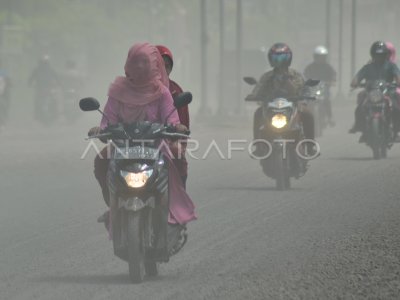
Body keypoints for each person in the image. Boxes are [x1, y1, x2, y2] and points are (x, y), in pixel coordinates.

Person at [91, 42, 196, 252]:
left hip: (155, 146)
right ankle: (113, 205)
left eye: (144, 62)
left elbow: (172, 117)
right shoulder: (118, 90)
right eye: (135, 62)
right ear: (128, 63)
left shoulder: (163, 92)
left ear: (153, 65)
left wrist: (177, 127)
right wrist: (100, 129)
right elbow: (108, 118)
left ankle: (169, 213)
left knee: (175, 159)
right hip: (123, 146)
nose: (139, 67)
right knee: (101, 160)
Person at [246, 42, 315, 154]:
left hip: (292, 106)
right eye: (276, 58)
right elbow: (257, 90)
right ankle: (258, 145)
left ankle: (310, 146)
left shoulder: (295, 75)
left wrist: (304, 97)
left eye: (282, 58)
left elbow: (304, 88)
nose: (279, 62)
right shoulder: (267, 76)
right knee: (258, 113)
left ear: (288, 58)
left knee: (308, 114)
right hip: (272, 107)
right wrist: (254, 96)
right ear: (270, 59)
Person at [349, 41, 400, 141]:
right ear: (373, 55)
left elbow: (397, 76)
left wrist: (397, 82)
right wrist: (355, 83)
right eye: (377, 55)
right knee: (359, 109)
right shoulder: (367, 67)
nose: (379, 57)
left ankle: (396, 130)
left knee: (396, 108)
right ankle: (361, 129)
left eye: (381, 55)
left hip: (387, 93)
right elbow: (356, 79)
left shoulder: (391, 66)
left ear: (386, 55)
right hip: (371, 93)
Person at [156, 45, 190, 188]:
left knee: (177, 154)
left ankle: (179, 200)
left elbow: (181, 123)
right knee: (104, 160)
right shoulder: (130, 88)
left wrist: (178, 131)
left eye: (167, 66)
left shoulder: (174, 91)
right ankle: (114, 204)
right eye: (157, 66)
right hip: (134, 142)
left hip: (165, 141)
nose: (162, 71)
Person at [304, 45, 336, 126]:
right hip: (313, 89)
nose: (320, 59)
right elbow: (305, 75)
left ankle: (329, 118)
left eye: (322, 57)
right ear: (315, 57)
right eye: (318, 57)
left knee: (326, 101)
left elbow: (333, 75)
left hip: (324, 89)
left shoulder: (328, 67)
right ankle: (306, 118)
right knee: (307, 102)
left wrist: (331, 81)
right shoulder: (310, 67)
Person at [28, 55, 60, 122]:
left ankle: (37, 115)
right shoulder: (49, 69)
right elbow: (57, 78)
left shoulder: (37, 69)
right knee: (52, 99)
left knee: (52, 99)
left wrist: (30, 84)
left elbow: (31, 79)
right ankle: (54, 114)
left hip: (44, 89)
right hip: (45, 88)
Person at [0, 62, 11, 130]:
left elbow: (9, 81)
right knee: (4, 107)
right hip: (3, 94)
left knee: (3, 107)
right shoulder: (3, 72)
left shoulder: (3, 72)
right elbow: (9, 82)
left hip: (2, 93)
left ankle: (2, 122)